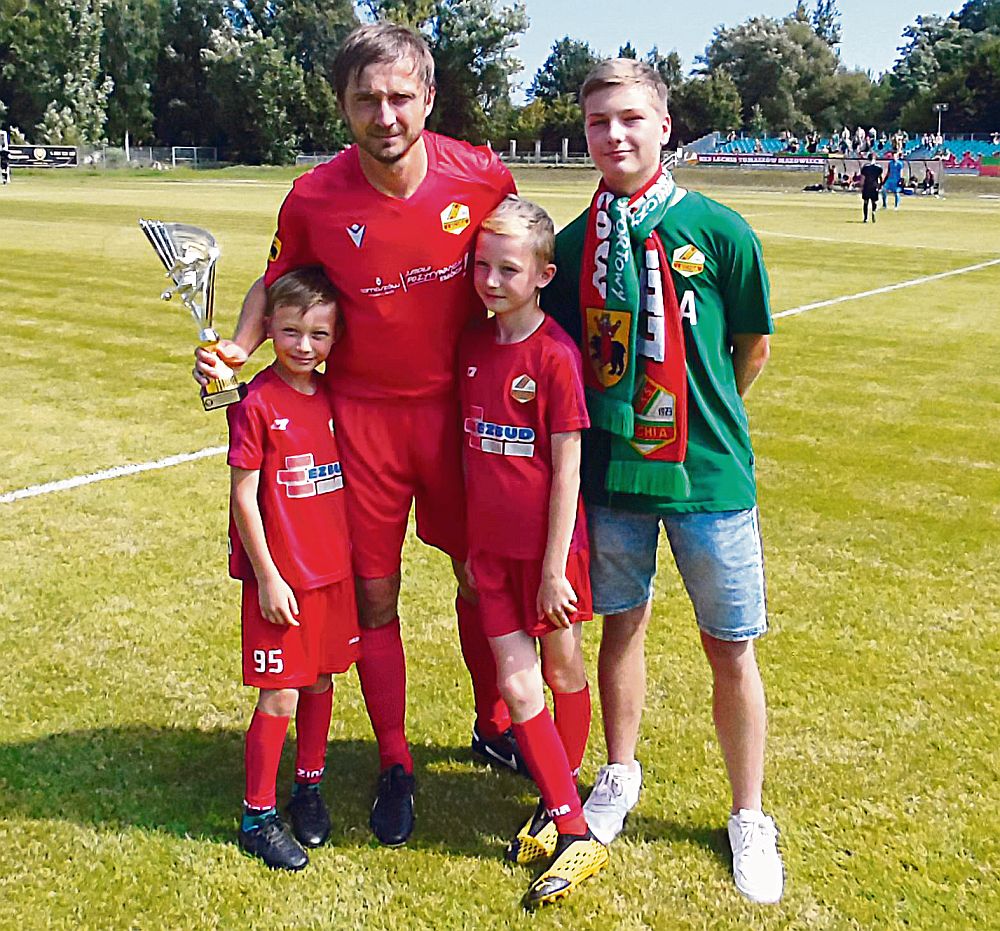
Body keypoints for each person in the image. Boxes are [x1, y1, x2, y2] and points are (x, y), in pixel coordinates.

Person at [196, 22, 524, 849]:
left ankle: (494, 724)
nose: (385, 115)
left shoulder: (482, 177)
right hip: (362, 427)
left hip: (460, 417)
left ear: (430, 98)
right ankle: (394, 758)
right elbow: (276, 282)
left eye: (400, 97)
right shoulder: (314, 196)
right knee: (375, 597)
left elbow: (519, 276)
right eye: (366, 99)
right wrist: (239, 348)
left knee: (482, 580)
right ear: (342, 104)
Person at [542, 58, 784, 905]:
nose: (614, 134)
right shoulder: (571, 245)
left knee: (731, 646)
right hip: (613, 476)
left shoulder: (719, 229)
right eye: (598, 121)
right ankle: (618, 772)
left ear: (664, 127)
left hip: (708, 477)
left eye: (630, 118)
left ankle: (748, 814)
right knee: (622, 627)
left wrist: (699, 418)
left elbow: (751, 347)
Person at [459, 195, 608, 907]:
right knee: (519, 689)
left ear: (544, 274)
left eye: (508, 269)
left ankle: (560, 796)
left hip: (549, 556)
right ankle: (573, 827)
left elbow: (567, 468)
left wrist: (554, 569)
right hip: (490, 555)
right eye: (481, 266)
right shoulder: (471, 347)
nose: (491, 281)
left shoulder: (554, 356)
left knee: (562, 667)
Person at [228, 267, 360, 871]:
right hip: (282, 581)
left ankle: (309, 786)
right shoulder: (256, 402)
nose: (304, 346)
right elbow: (244, 496)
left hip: (331, 575)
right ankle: (257, 815)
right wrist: (268, 577)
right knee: (279, 694)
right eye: (289, 332)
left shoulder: (332, 395)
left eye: (319, 334)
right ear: (268, 328)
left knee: (320, 681)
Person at [860, 153, 883, 223]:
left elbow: (863, 178)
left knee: (865, 202)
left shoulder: (865, 167)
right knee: (874, 201)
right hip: (874, 186)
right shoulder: (878, 167)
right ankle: (873, 212)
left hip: (867, 185)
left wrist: (861, 186)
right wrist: (880, 185)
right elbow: (880, 177)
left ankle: (866, 218)